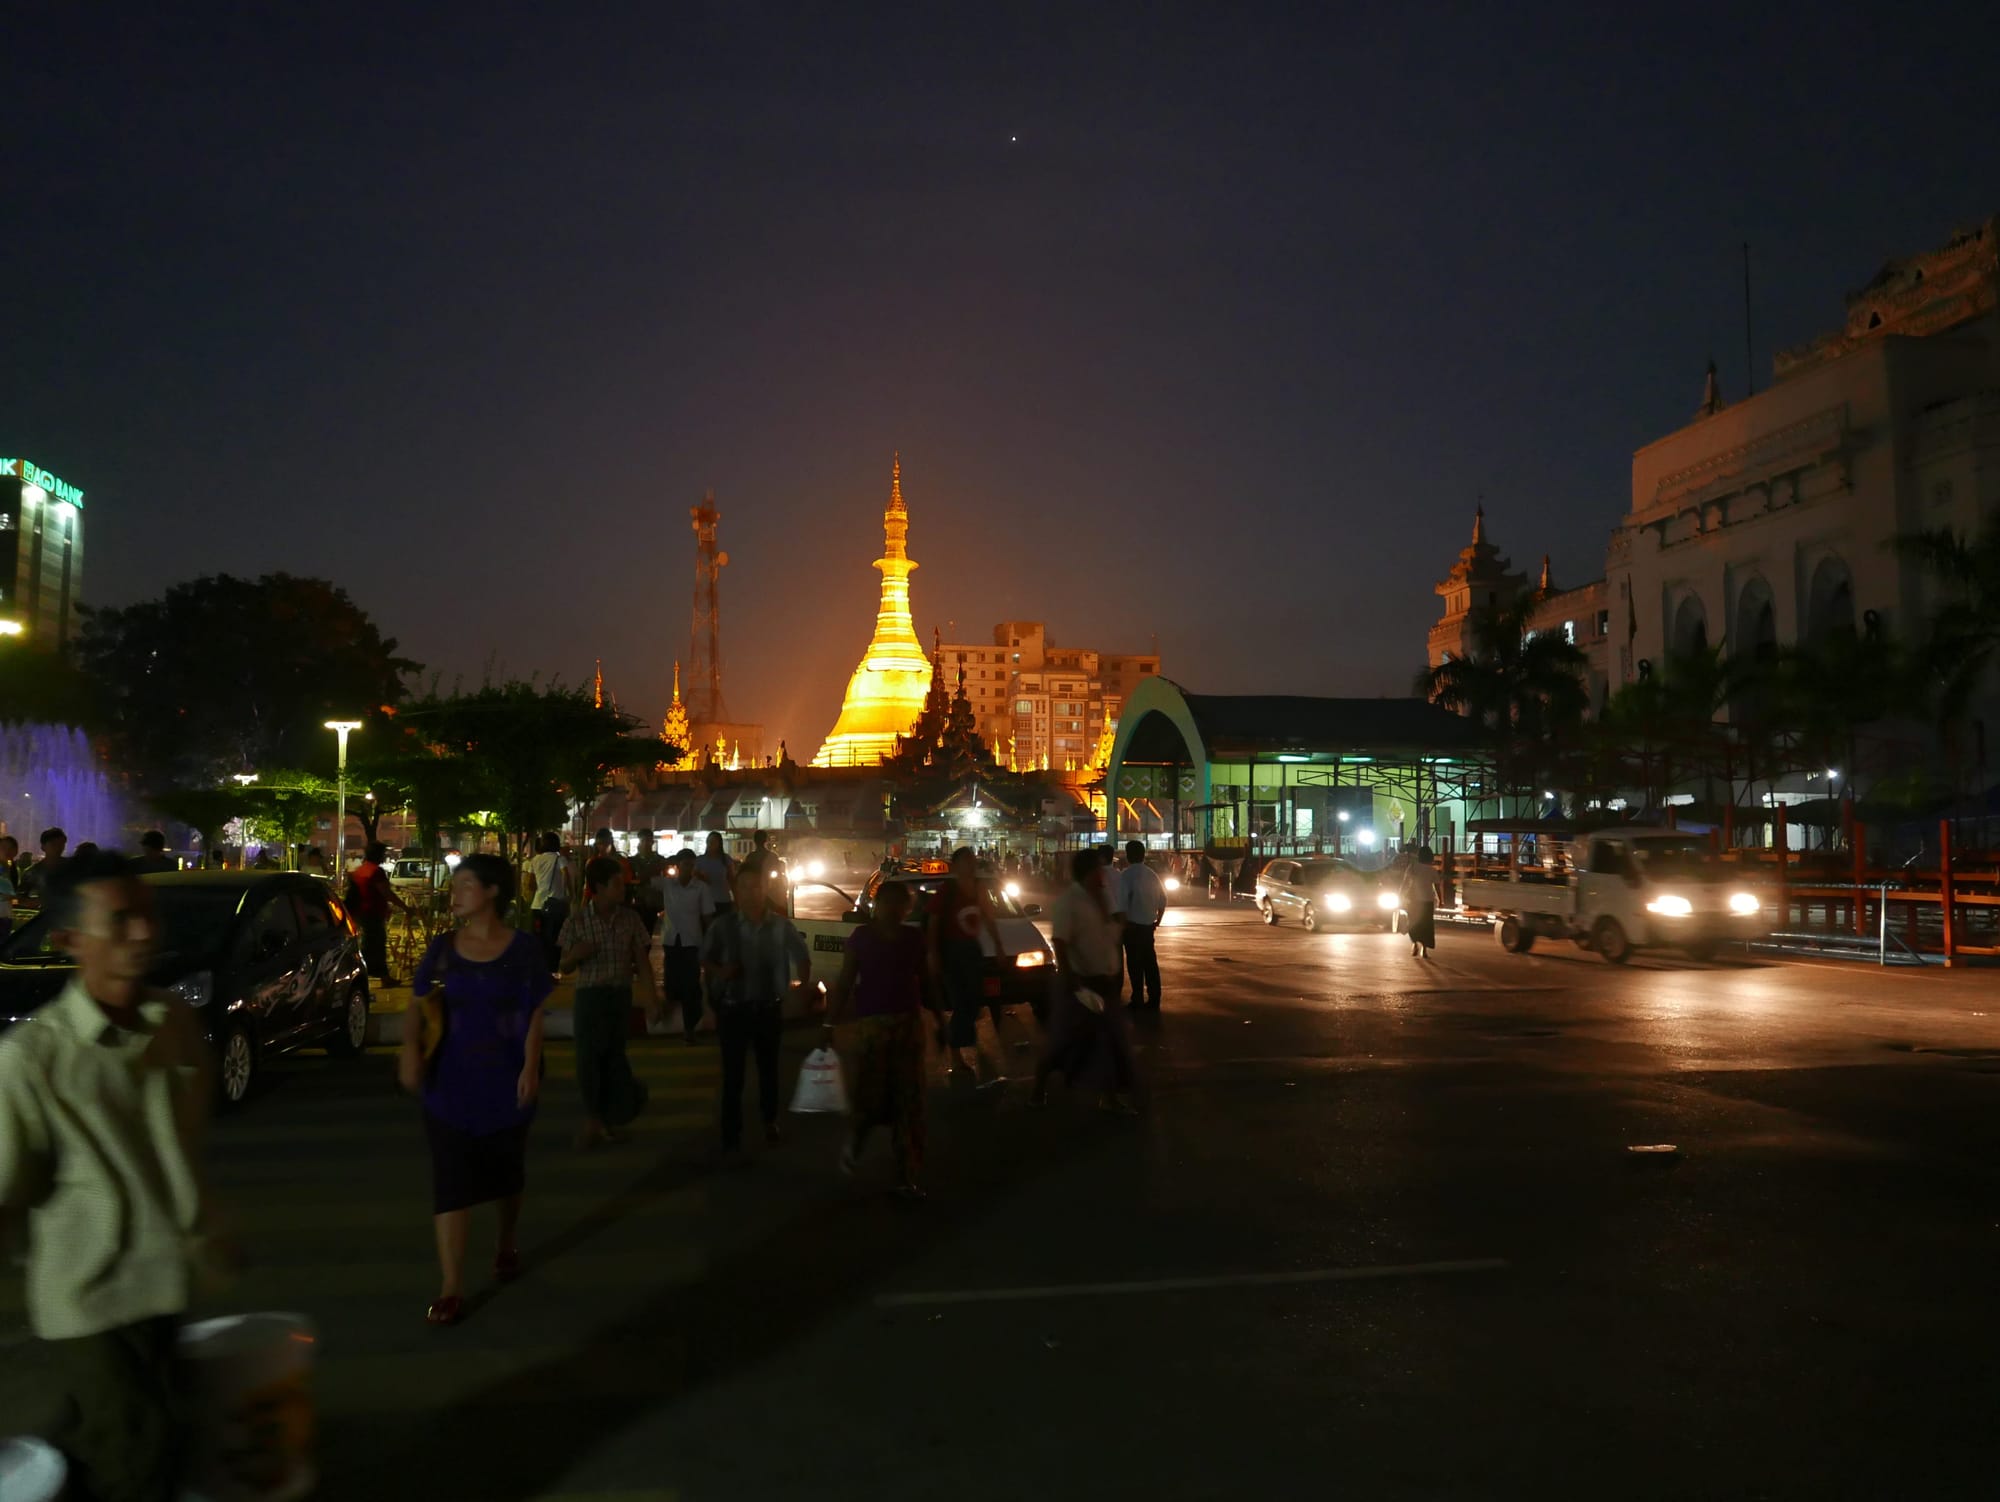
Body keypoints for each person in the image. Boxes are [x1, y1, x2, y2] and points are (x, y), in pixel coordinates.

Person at [0, 851, 217, 1498]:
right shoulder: (31, 1059)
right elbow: (5, 1192)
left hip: (167, 1285)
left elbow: (186, 1144)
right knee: (137, 1459)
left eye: (147, 916)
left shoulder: (173, 1023)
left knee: (151, 1447)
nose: (145, 932)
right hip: (90, 1300)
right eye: (120, 920)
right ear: (69, 939)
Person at [399, 854, 552, 1326]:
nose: (456, 891)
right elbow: (417, 1003)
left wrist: (529, 1067)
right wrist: (409, 1050)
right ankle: (451, 1286)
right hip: (449, 1081)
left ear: (490, 893)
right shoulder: (443, 949)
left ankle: (505, 1242)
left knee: (506, 1172)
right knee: (451, 1181)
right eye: (456, 884)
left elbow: (534, 1012)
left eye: (466, 884)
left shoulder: (523, 949)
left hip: (506, 1078)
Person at [703, 861, 810, 1160]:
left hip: (768, 1009)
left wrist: (800, 991)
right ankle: (731, 1137)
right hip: (732, 1010)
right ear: (736, 890)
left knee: (768, 1071)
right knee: (733, 1076)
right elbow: (705, 958)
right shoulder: (723, 926)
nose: (751, 892)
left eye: (757, 885)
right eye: (745, 886)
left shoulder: (780, 925)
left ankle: (769, 1120)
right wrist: (720, 972)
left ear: (766, 889)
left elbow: (802, 956)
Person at [829, 878, 928, 1198]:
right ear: (876, 906)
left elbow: (927, 980)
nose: (894, 911)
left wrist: (939, 1019)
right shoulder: (861, 938)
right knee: (869, 1098)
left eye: (901, 905)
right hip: (872, 1028)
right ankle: (854, 1146)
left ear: (906, 909)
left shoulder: (914, 939)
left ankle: (905, 1174)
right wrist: (828, 1024)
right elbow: (844, 983)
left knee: (907, 1103)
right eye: (888, 904)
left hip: (907, 1026)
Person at [559, 857, 659, 1149]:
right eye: (617, 883)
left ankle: (608, 1119)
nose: (623, 888)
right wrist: (576, 954)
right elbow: (563, 965)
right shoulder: (577, 920)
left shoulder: (630, 919)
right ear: (599, 887)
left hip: (619, 996)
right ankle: (595, 1120)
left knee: (614, 1057)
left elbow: (642, 961)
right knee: (588, 1059)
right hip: (590, 997)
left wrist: (651, 999)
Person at [1035, 848, 1137, 1113]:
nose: (1102, 874)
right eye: (1098, 869)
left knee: (1112, 1042)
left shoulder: (1102, 897)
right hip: (1081, 983)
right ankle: (1039, 1086)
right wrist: (1071, 978)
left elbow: (1106, 934)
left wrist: (1118, 925)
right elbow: (1060, 941)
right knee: (1065, 1042)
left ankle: (1110, 1096)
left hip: (1105, 980)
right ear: (1087, 873)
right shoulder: (1070, 902)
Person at [927, 846, 1000, 1085]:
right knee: (961, 1001)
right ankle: (955, 1054)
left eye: (972, 860)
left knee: (973, 1000)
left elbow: (988, 918)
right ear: (955, 865)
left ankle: (951, 1035)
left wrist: (998, 946)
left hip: (971, 950)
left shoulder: (979, 888)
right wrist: (934, 954)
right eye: (966, 860)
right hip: (952, 952)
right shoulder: (947, 891)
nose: (971, 864)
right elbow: (934, 924)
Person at [659, 848, 715, 1042]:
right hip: (671, 940)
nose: (689, 869)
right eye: (685, 864)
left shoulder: (701, 888)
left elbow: (708, 917)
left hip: (692, 942)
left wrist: (711, 942)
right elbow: (644, 881)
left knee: (691, 985)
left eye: (692, 865)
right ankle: (671, 1021)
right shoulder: (667, 885)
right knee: (672, 982)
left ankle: (689, 1028)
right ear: (678, 865)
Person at [1114, 839, 1168, 1012]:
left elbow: (1121, 904)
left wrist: (1122, 927)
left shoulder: (1126, 876)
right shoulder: (1152, 875)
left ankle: (1137, 998)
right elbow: (1163, 900)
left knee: (1135, 965)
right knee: (1150, 963)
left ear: (1128, 856)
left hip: (1132, 927)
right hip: (1147, 927)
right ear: (1144, 855)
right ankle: (1154, 998)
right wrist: (1157, 921)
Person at [347, 841, 409, 987]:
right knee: (376, 946)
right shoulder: (376, 872)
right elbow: (386, 893)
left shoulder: (360, 871)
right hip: (372, 913)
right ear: (378, 854)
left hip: (361, 913)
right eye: (383, 853)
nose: (384, 856)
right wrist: (405, 907)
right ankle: (381, 977)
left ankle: (377, 976)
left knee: (370, 945)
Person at [523, 832, 572, 975]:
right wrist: (570, 894)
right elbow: (566, 876)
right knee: (555, 939)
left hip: (537, 905)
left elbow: (530, 884)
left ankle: (539, 970)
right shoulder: (560, 859)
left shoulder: (535, 860)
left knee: (539, 939)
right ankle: (552, 970)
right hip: (555, 904)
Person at [1400, 845, 1441, 960]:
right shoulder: (1432, 870)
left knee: (1413, 923)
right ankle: (1424, 949)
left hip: (1413, 900)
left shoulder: (1412, 867)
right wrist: (1440, 899)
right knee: (1426, 925)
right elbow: (1437, 886)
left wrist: (1401, 895)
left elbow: (1405, 883)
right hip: (1427, 901)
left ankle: (1414, 944)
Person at [18, 827, 68, 907]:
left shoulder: (72, 867)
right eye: (53, 844)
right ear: (43, 847)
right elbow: (21, 898)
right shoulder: (32, 872)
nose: (58, 848)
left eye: (61, 844)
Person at [631, 831, 670, 935]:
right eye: (643, 841)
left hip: (655, 903)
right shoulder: (632, 861)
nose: (645, 844)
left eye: (648, 841)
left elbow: (667, 881)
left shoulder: (660, 861)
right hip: (638, 902)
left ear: (652, 842)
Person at [695, 832, 736, 921]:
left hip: (723, 900)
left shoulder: (726, 859)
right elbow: (694, 881)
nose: (711, 844)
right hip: (705, 901)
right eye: (709, 841)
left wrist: (737, 899)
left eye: (714, 842)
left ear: (719, 844)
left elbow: (732, 880)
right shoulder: (699, 860)